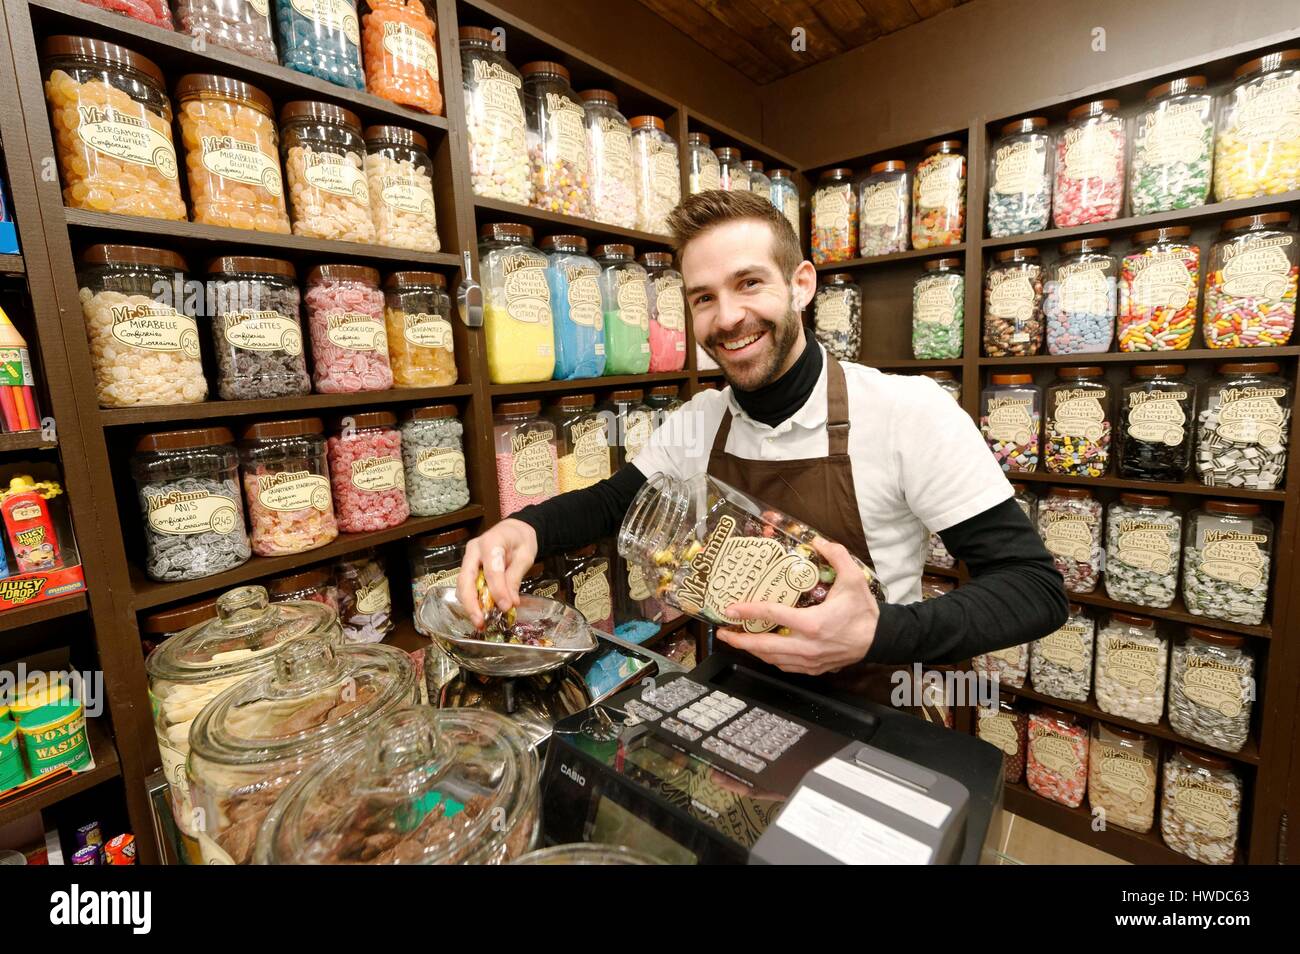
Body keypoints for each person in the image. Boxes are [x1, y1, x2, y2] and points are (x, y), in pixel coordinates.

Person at [458, 190, 1068, 704]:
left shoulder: (908, 411)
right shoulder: (702, 420)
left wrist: (876, 633)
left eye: (748, 283)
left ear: (801, 285)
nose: (727, 318)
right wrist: (525, 531)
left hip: (870, 700)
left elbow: (1033, 587)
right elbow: (614, 503)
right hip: (733, 692)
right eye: (703, 297)